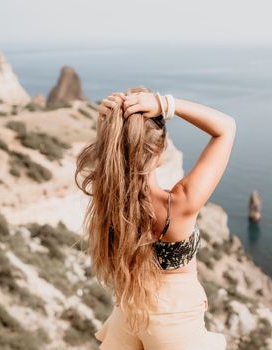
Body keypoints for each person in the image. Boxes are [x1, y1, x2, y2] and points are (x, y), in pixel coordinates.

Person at [75, 86, 236, 349]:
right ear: (160, 151)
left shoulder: (109, 199)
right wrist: (166, 104)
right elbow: (226, 128)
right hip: (175, 323)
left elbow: (113, 159)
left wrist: (108, 124)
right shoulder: (178, 204)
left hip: (127, 313)